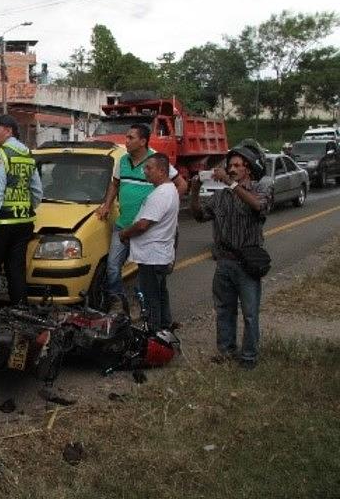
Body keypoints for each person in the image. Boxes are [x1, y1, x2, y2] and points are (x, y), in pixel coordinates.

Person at [189, 141, 273, 370]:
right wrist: (195, 190)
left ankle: (248, 357)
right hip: (223, 263)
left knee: (250, 314)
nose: (232, 169)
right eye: (230, 166)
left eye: (237, 165)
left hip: (247, 264)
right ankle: (226, 352)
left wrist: (230, 182)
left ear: (248, 169)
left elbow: (257, 206)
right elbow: (199, 215)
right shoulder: (221, 196)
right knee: (224, 310)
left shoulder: (260, 189)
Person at [95, 123, 187, 312]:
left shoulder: (156, 162)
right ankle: (120, 302)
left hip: (145, 228)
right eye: (126, 137)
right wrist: (106, 205)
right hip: (123, 226)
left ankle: (149, 309)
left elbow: (182, 185)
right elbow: (114, 184)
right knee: (113, 267)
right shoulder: (122, 161)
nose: (126, 141)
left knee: (147, 273)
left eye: (130, 138)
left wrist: (166, 210)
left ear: (143, 141)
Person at [0, 114, 43, 309]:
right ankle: (19, 314)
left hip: (1, 223)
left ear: (9, 131)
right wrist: (24, 207)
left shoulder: (0, 153)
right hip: (23, 223)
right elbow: (37, 191)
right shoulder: (27, 154)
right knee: (17, 272)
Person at [118, 154, 179, 332]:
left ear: (161, 170)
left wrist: (125, 233)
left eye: (148, 168)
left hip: (152, 256)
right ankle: (165, 328)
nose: (145, 172)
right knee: (160, 294)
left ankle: (153, 334)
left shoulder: (161, 194)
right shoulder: (168, 190)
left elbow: (143, 224)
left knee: (151, 297)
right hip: (159, 255)